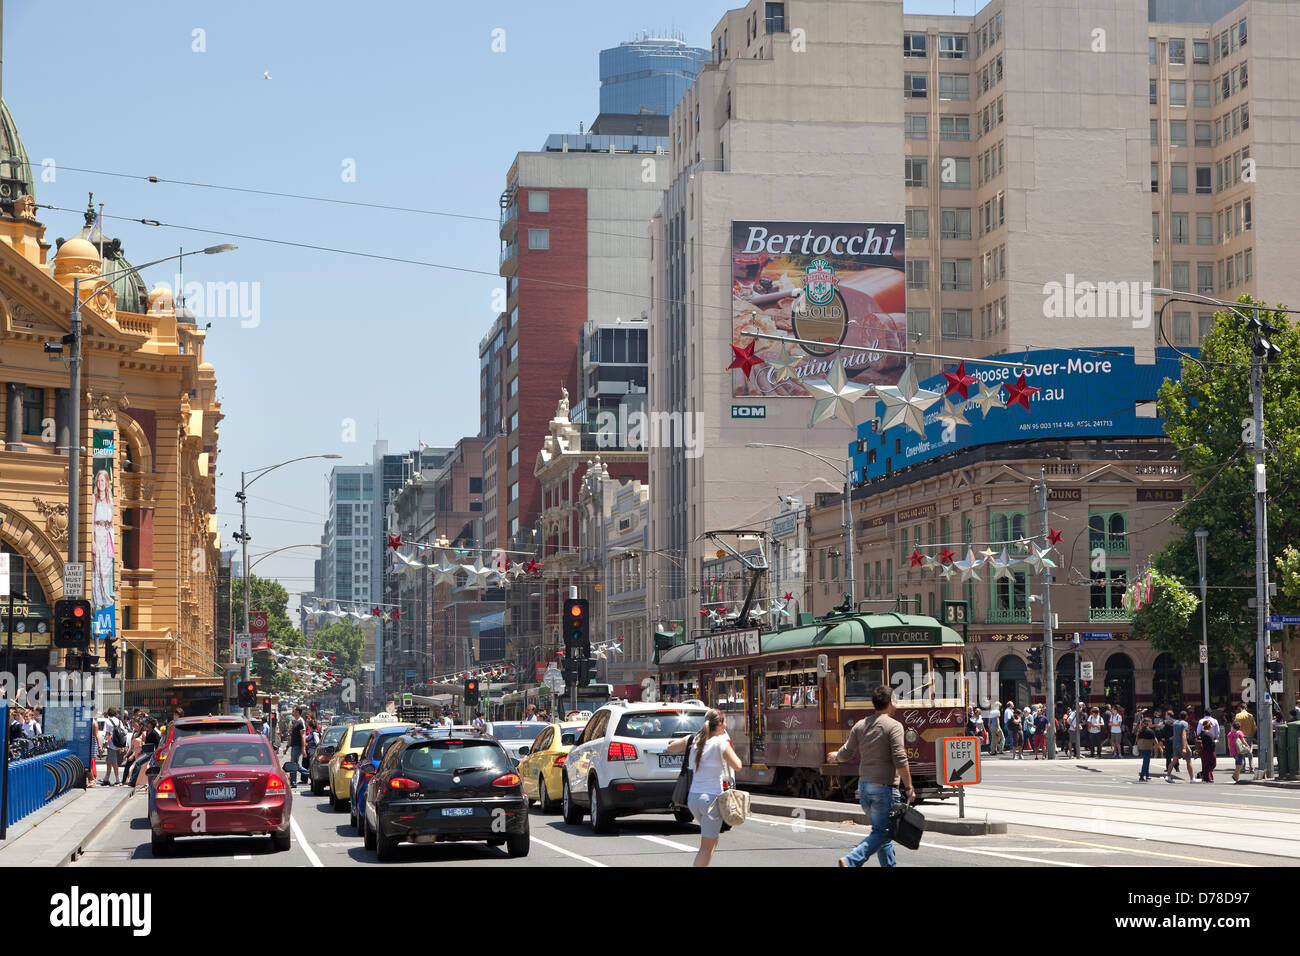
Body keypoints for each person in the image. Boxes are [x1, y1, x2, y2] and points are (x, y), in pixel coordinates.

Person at [826, 685, 914, 867]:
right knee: (883, 832)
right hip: (884, 788)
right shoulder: (894, 726)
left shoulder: (860, 725)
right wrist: (909, 787)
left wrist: (835, 756)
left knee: (883, 833)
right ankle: (851, 860)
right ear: (891, 703)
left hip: (864, 788)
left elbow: (847, 752)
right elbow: (900, 758)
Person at [665, 708, 742, 867]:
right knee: (706, 848)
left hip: (693, 799)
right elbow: (738, 765)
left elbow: (671, 747)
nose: (725, 725)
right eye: (725, 722)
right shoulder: (720, 742)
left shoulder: (694, 739)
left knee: (712, 841)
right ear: (720, 724)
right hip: (711, 800)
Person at [128, 718, 160, 789]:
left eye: (148, 723)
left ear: (152, 725)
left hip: (151, 753)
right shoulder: (148, 732)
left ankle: (133, 782)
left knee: (138, 763)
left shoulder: (155, 734)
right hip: (146, 752)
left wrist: (155, 754)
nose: (147, 724)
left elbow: (158, 745)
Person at [1167, 710, 1194, 783]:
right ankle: (1192, 778)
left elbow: (1174, 734)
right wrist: (1184, 747)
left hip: (1175, 743)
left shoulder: (1175, 723)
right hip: (1182, 744)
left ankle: (1168, 776)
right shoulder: (1185, 723)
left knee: (1174, 760)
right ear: (1186, 716)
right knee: (1188, 761)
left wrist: (1172, 738)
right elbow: (1184, 735)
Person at [1235, 702, 1257, 773]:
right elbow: (1254, 726)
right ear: (1246, 708)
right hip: (1249, 735)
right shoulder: (1250, 715)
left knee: (1242, 751)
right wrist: (1253, 733)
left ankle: (1243, 768)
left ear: (1240, 708)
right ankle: (1251, 767)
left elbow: (1235, 726)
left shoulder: (1238, 715)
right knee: (1249, 751)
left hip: (1241, 735)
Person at [287, 706, 307, 787]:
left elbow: (303, 735)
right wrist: (287, 747)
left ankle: (294, 782)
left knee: (293, 764)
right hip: (294, 746)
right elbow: (292, 735)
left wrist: (303, 748)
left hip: (298, 746)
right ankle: (293, 781)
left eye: (294, 710)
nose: (292, 711)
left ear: (298, 712)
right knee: (294, 764)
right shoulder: (296, 721)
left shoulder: (301, 722)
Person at [1197, 713, 1218, 783]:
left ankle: (1207, 777)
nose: (1212, 726)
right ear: (1209, 726)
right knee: (1213, 764)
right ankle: (1204, 774)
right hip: (1210, 751)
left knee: (1205, 764)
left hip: (1203, 750)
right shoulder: (1209, 734)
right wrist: (1215, 741)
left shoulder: (1201, 734)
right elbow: (1212, 743)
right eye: (1211, 725)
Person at [1136, 717, 1157, 781]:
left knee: (1146, 761)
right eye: (1150, 722)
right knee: (1146, 762)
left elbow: (1137, 738)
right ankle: (1142, 776)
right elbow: (1155, 740)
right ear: (1148, 723)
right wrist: (1158, 747)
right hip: (1147, 748)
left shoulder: (1140, 730)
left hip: (1141, 747)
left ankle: (1147, 775)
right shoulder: (1150, 731)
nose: (1151, 723)